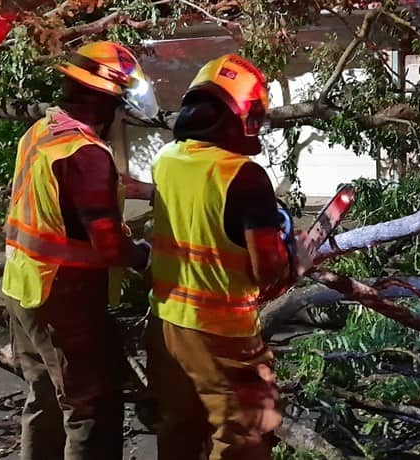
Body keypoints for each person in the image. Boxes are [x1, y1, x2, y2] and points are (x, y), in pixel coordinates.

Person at [145, 53, 311, 460]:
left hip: (165, 325)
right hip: (222, 334)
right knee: (245, 436)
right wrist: (297, 258)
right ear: (236, 114)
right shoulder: (243, 175)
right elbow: (268, 273)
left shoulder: (166, 161)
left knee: (180, 433)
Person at [2, 41, 156, 460]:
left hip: (22, 286)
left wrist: (152, 190)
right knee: (91, 408)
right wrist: (144, 256)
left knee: (45, 399)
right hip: (63, 298)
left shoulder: (45, 131)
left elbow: (75, 192)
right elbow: (107, 241)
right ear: (106, 101)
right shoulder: (86, 153)